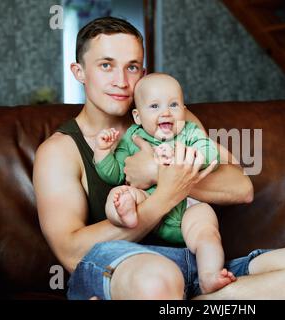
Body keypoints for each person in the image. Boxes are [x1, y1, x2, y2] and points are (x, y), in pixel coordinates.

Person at [33, 16, 285, 300]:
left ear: (143, 72)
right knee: (158, 280)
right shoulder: (59, 151)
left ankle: (191, 302)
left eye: (131, 67)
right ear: (79, 72)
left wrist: (157, 171)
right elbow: (72, 252)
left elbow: (240, 188)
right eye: (105, 66)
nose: (121, 81)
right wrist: (167, 193)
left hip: (195, 266)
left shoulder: (170, 117)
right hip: (124, 268)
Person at [94, 72, 236, 294]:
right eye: (154, 106)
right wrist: (102, 153)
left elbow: (211, 154)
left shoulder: (190, 132)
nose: (166, 112)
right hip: (150, 202)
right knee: (119, 194)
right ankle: (125, 214)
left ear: (183, 109)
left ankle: (209, 276)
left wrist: (186, 156)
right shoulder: (132, 138)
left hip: (190, 206)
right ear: (137, 116)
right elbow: (114, 174)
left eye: (173, 104)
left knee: (208, 233)